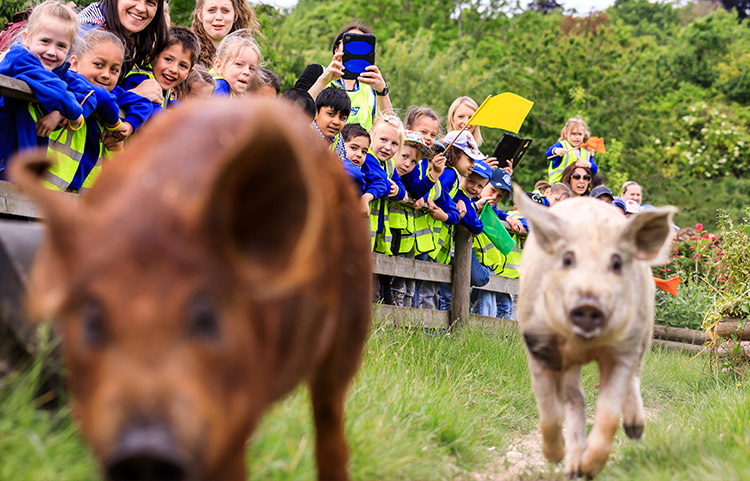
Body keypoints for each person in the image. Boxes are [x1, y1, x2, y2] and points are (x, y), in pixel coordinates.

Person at [42, 28, 153, 192]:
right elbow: (99, 95)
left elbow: (144, 103)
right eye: (99, 65)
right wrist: (115, 124)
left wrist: (128, 126)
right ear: (74, 64)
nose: (106, 74)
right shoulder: (68, 82)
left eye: (114, 70)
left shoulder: (112, 92)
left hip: (77, 189)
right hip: (48, 182)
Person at [0, 1, 84, 179]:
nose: (52, 52)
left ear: (70, 49)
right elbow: (55, 90)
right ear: (27, 38)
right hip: (4, 156)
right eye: (45, 41)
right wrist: (73, 112)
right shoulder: (19, 59)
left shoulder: (57, 72)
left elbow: (88, 90)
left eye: (61, 46)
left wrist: (58, 113)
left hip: (21, 161)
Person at [306, 23, 392, 131]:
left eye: (361, 45)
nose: (355, 48)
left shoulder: (370, 88)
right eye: (350, 42)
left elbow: (389, 127)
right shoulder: (317, 73)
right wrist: (324, 80)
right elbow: (296, 112)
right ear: (336, 50)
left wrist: (382, 90)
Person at [77, 0, 169, 79]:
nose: (141, 8)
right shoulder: (90, 34)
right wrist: (134, 94)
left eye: (150, 2)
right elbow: (84, 92)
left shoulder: (124, 33)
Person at [190, 0, 259, 68]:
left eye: (225, 11)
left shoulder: (248, 55)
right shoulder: (188, 53)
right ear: (200, 15)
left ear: (235, 16)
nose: (218, 17)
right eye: (211, 10)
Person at [546, 116, 599, 183]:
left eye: (580, 134)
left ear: (584, 135)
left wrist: (589, 165)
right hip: (558, 187)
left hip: (578, 187)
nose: (576, 137)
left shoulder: (586, 152)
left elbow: (595, 170)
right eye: (573, 134)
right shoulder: (561, 145)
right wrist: (556, 151)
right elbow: (548, 153)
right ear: (566, 134)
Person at [210, 29, 261, 98]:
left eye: (252, 69)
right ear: (219, 66)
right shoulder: (220, 86)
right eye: (239, 64)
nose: (246, 72)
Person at [311, 87, 350, 163]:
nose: (336, 122)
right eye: (331, 114)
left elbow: (341, 164)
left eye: (342, 118)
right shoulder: (304, 133)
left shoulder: (337, 138)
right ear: (315, 113)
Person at [341, 123, 369, 194]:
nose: (359, 155)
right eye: (354, 148)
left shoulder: (364, 168)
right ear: (341, 144)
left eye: (364, 152)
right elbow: (356, 174)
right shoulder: (337, 163)